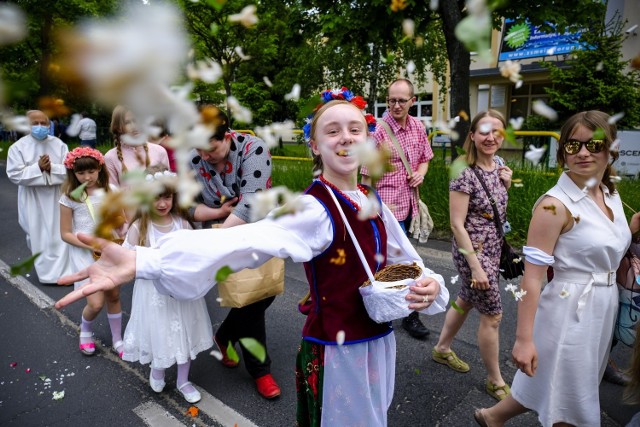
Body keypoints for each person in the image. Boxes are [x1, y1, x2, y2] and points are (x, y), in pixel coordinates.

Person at [55, 95, 450, 426]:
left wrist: (430, 283)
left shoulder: (371, 200)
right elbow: (243, 241)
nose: (345, 137)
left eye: (355, 129)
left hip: (378, 343)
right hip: (337, 351)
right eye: (332, 130)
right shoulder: (312, 208)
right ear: (314, 145)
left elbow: (406, 260)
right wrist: (146, 261)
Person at [474, 110, 640, 427]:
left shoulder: (610, 193)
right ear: (562, 151)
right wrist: (523, 339)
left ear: (610, 150)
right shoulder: (554, 205)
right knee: (571, 399)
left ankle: (494, 416)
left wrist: (630, 230)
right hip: (569, 311)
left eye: (594, 145)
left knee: (556, 377)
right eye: (572, 145)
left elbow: (598, 245)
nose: (582, 153)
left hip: (602, 307)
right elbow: (532, 278)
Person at [188, 106, 280, 399]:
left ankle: (224, 336)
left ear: (226, 135)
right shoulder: (194, 158)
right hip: (221, 229)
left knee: (264, 292)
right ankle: (261, 371)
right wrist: (215, 213)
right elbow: (187, 205)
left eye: (210, 149)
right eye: (199, 150)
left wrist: (220, 238)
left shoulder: (254, 148)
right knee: (251, 301)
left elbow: (251, 203)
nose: (204, 157)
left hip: (253, 228)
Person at [432, 110, 513, 401]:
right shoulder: (463, 171)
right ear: (473, 136)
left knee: (466, 298)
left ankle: (442, 349)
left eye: (497, 132)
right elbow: (456, 224)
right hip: (473, 253)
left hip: (494, 247)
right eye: (484, 132)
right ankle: (496, 381)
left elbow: (495, 210)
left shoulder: (500, 165)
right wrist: (476, 267)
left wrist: (506, 184)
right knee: (493, 316)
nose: (491, 138)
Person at [122, 168, 213, 404]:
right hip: (153, 294)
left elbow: (195, 254)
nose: (162, 203)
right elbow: (127, 260)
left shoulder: (181, 223)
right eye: (156, 197)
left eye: (167, 197)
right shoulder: (139, 228)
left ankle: (183, 380)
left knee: (185, 332)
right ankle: (158, 368)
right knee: (160, 331)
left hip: (182, 292)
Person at [361, 79, 434, 340]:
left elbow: (425, 158)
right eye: (391, 100)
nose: (396, 105)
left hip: (409, 205)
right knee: (399, 261)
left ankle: (403, 310)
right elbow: (366, 175)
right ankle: (395, 313)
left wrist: (420, 175)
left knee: (406, 260)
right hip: (386, 210)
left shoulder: (418, 127)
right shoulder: (377, 132)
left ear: (412, 101)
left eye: (402, 100)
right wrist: (368, 208)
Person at [59, 147, 124, 357]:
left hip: (110, 250)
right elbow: (65, 233)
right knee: (95, 302)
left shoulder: (111, 191)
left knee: (113, 296)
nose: (87, 177)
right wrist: (91, 246)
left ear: (99, 169)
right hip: (85, 254)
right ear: (73, 173)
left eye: (91, 171)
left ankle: (118, 339)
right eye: (81, 173)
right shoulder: (69, 197)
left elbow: (121, 220)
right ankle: (85, 331)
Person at [6, 110, 72, 284]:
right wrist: (38, 168)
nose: (40, 127)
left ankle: (64, 273)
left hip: (56, 196)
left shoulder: (59, 145)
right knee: (36, 233)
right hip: (32, 198)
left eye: (44, 123)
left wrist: (52, 169)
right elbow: (14, 174)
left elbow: (70, 170)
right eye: (36, 123)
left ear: (49, 124)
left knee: (60, 232)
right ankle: (47, 275)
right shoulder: (18, 147)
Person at [104, 105, 169, 188]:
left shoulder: (159, 151)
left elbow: (167, 189)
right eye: (127, 122)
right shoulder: (110, 157)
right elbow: (112, 193)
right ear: (118, 127)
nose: (134, 126)